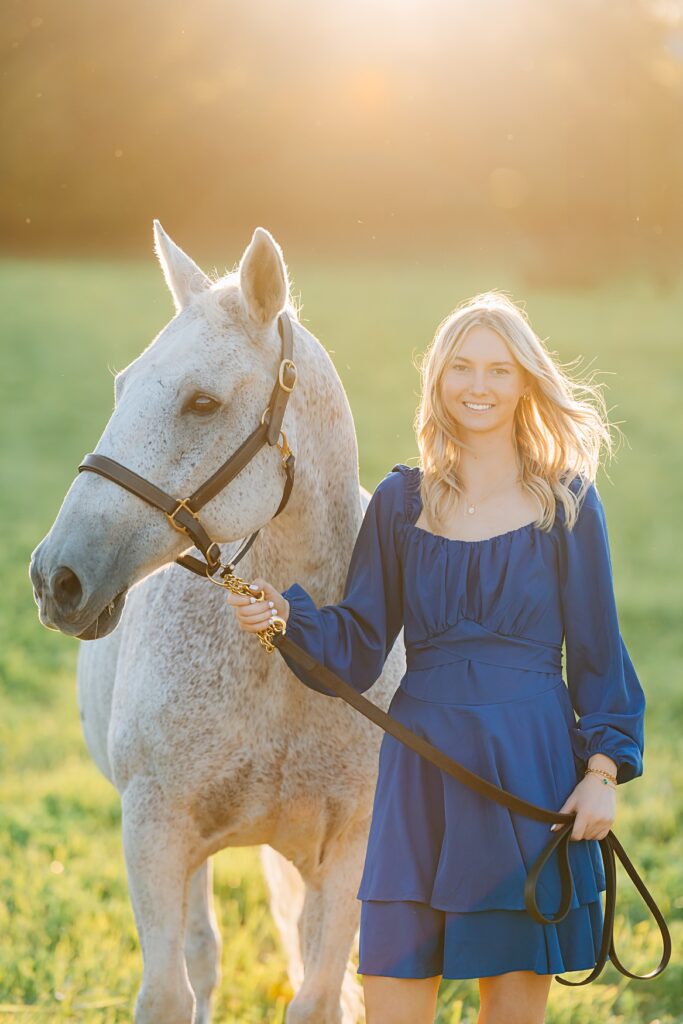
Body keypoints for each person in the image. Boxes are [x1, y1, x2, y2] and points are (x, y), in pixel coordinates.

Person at [226, 291, 646, 1024]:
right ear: (437, 381)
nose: (477, 386)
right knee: (393, 995)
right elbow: (357, 645)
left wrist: (603, 772)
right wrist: (282, 619)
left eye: (497, 369)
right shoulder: (398, 502)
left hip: (529, 771)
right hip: (421, 776)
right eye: (460, 367)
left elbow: (598, 655)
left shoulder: (567, 505)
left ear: (524, 383)